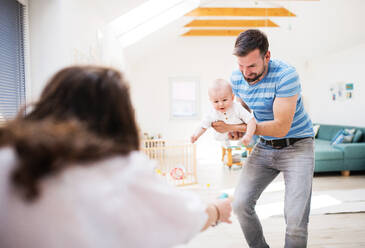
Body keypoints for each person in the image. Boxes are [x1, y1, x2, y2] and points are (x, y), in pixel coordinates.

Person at [0, 66, 232, 248]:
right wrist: (218, 210)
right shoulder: (120, 170)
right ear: (119, 116)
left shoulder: (7, 155)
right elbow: (184, 217)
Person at [212, 29, 315, 248]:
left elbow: (280, 127)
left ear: (267, 56)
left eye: (251, 66)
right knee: (240, 204)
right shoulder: (236, 77)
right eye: (241, 65)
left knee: (295, 221)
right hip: (265, 146)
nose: (245, 72)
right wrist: (236, 129)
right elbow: (244, 111)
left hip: (298, 146)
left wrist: (236, 126)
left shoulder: (286, 75)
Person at [191, 78, 256, 147]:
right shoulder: (212, 112)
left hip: (241, 135)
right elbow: (203, 126)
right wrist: (196, 135)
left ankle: (244, 143)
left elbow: (251, 120)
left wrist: (248, 135)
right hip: (222, 139)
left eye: (224, 100)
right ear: (211, 101)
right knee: (223, 145)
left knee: (247, 143)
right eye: (216, 101)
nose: (221, 104)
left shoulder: (237, 108)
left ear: (232, 97)